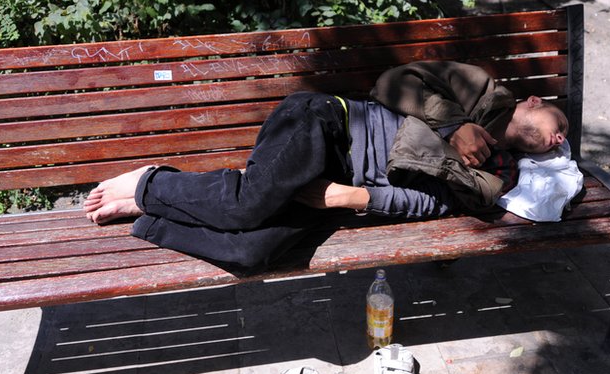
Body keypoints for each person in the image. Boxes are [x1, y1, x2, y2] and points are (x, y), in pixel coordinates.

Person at [82, 61, 568, 271]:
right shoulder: (476, 87)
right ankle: (150, 181)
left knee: (253, 254)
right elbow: (394, 82)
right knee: (249, 206)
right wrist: (454, 124)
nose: (560, 136)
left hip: (340, 188)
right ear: (531, 101)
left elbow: (435, 203)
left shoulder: (500, 175)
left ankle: (151, 218)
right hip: (328, 124)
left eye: (561, 140)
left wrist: (358, 198)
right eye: (558, 123)